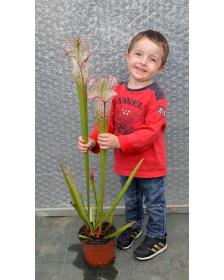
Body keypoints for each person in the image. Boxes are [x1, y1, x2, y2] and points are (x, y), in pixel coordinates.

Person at [78, 30, 169, 260]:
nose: (143, 62)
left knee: (154, 203)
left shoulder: (157, 96)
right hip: (125, 164)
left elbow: (150, 133)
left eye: (152, 59)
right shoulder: (115, 90)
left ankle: (158, 236)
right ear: (127, 56)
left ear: (160, 69)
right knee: (130, 199)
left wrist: (119, 141)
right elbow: (104, 121)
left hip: (150, 166)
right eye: (139, 54)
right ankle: (133, 226)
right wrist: (92, 141)